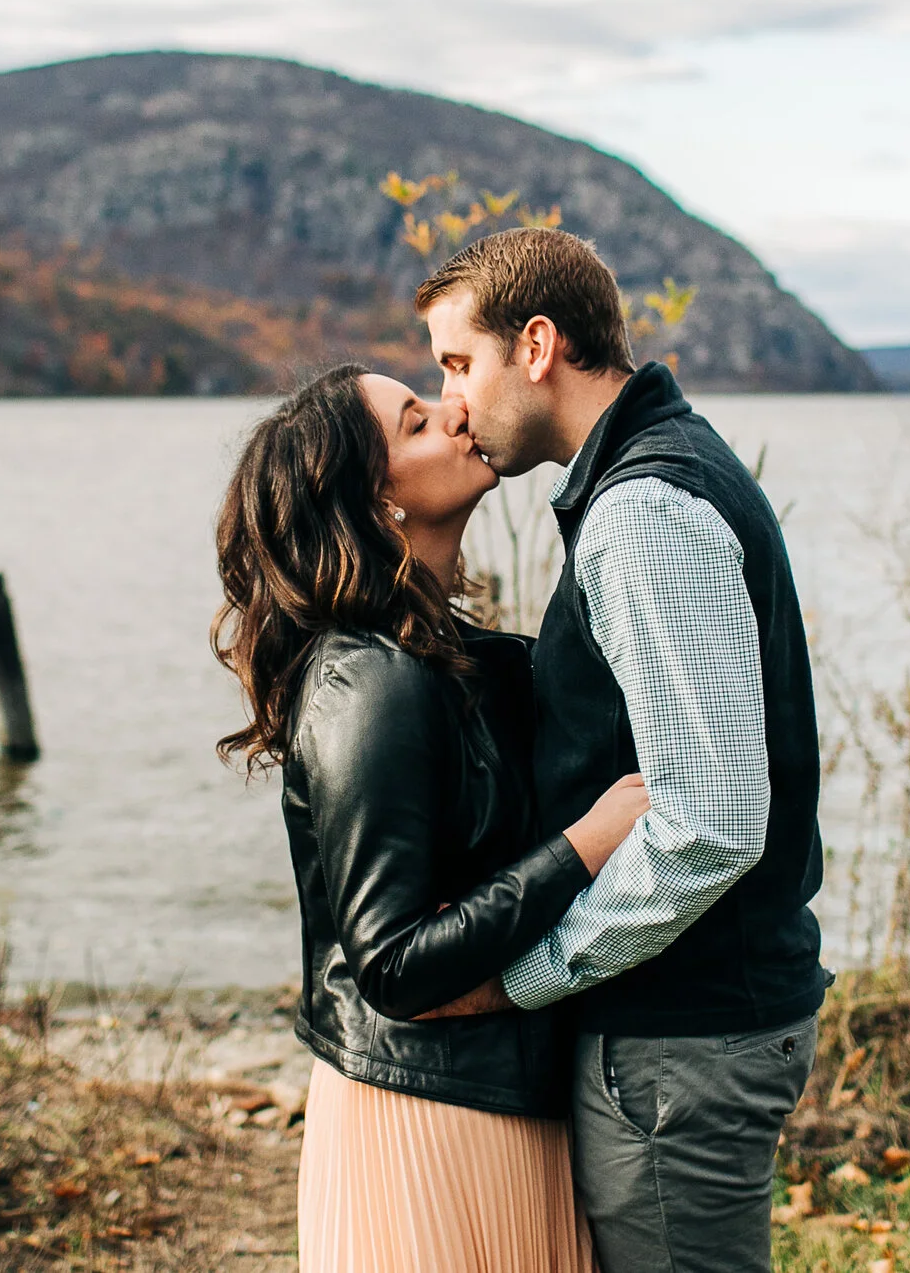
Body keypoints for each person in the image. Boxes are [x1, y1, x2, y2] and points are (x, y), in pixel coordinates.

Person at [418, 227, 830, 1273]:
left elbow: (707, 824)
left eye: (458, 363)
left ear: (538, 344)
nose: (453, 400)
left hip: (679, 1042)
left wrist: (524, 975)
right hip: (687, 1031)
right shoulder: (652, 473)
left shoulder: (642, 509)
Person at [212, 363, 651, 1273]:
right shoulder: (367, 680)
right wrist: (588, 844)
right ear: (378, 503)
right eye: (416, 422)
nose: (456, 412)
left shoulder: (458, 660)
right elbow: (394, 962)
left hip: (498, 1100)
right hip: (425, 1120)